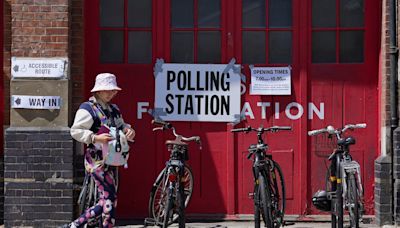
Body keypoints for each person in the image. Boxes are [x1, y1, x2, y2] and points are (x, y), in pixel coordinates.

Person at [62, 73, 135, 228]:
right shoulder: (87, 108)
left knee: (110, 199)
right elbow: (75, 131)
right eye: (107, 90)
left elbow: (122, 126)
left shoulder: (114, 109)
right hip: (96, 161)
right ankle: (75, 225)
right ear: (98, 91)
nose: (111, 93)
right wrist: (95, 138)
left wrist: (129, 130)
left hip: (113, 159)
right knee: (109, 199)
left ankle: (79, 225)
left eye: (113, 90)